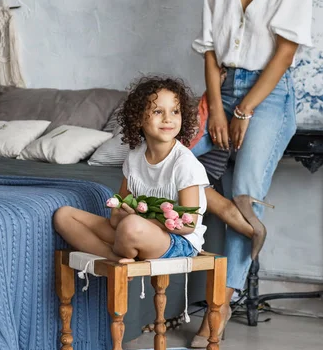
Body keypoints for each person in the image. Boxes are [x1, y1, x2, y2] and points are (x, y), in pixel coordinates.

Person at [190, 0, 313, 347]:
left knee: (243, 193)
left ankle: (220, 308)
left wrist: (243, 109)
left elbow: (283, 54)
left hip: (270, 96)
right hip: (220, 91)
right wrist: (218, 106)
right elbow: (207, 53)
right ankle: (243, 223)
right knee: (178, 171)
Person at [54, 76, 211, 261]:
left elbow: (189, 223)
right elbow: (116, 216)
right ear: (138, 119)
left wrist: (140, 221)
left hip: (177, 240)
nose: (168, 119)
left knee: (130, 226)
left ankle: (120, 250)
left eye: (175, 111)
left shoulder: (184, 162)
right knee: (63, 215)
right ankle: (112, 256)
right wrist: (123, 215)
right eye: (158, 111)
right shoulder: (134, 157)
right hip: (133, 230)